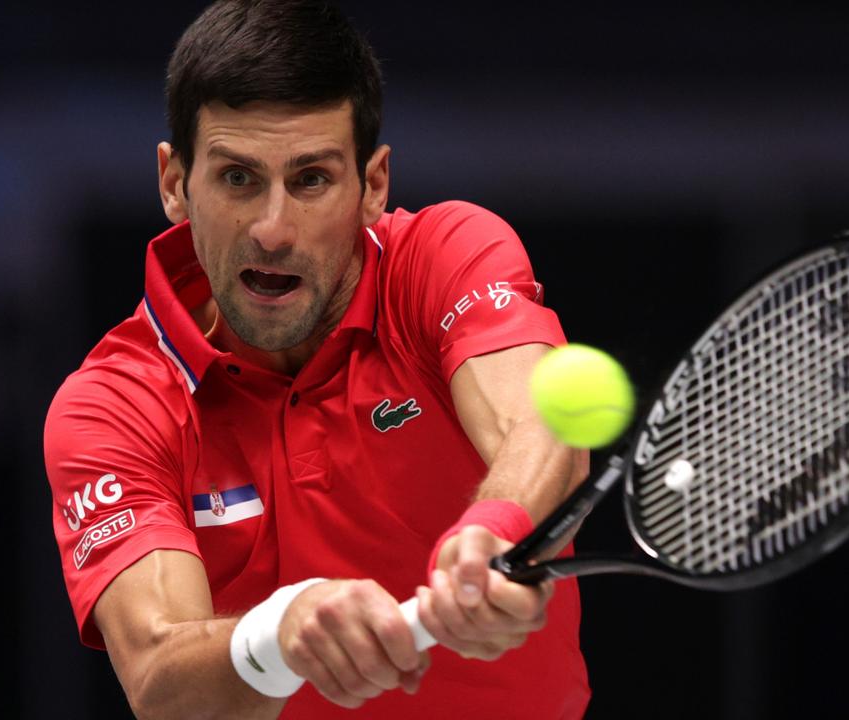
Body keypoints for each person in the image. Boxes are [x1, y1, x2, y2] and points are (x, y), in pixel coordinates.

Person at [43, 1, 592, 717]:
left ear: (374, 185)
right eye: (238, 178)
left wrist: (490, 534)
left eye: (310, 180)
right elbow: (157, 680)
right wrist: (281, 632)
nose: (273, 230)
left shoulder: (444, 258)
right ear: (175, 183)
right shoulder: (113, 404)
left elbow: (541, 424)